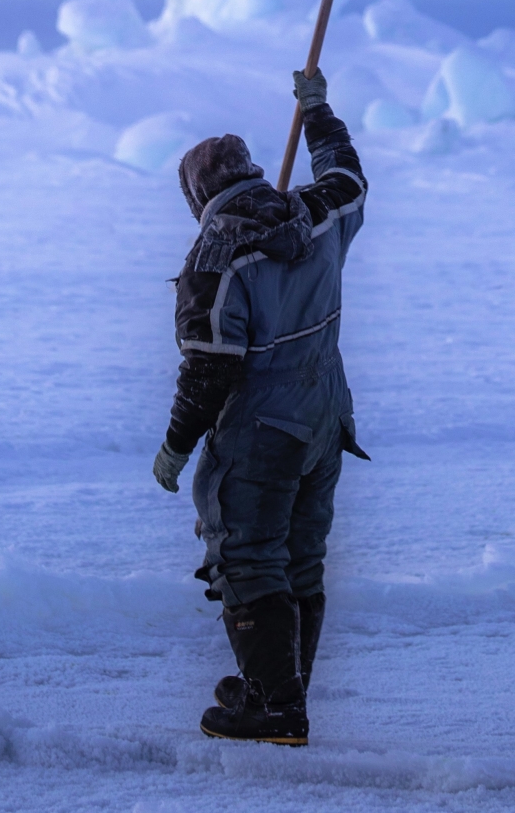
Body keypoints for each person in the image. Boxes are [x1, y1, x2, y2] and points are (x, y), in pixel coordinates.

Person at [151, 68, 370, 746]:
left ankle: (276, 710)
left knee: (247, 559)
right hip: (324, 415)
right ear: (250, 173)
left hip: (262, 430)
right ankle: (278, 686)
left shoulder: (214, 261)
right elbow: (349, 177)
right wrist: (319, 115)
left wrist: (177, 446)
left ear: (198, 199)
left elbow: (210, 369)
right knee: (301, 558)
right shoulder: (317, 212)